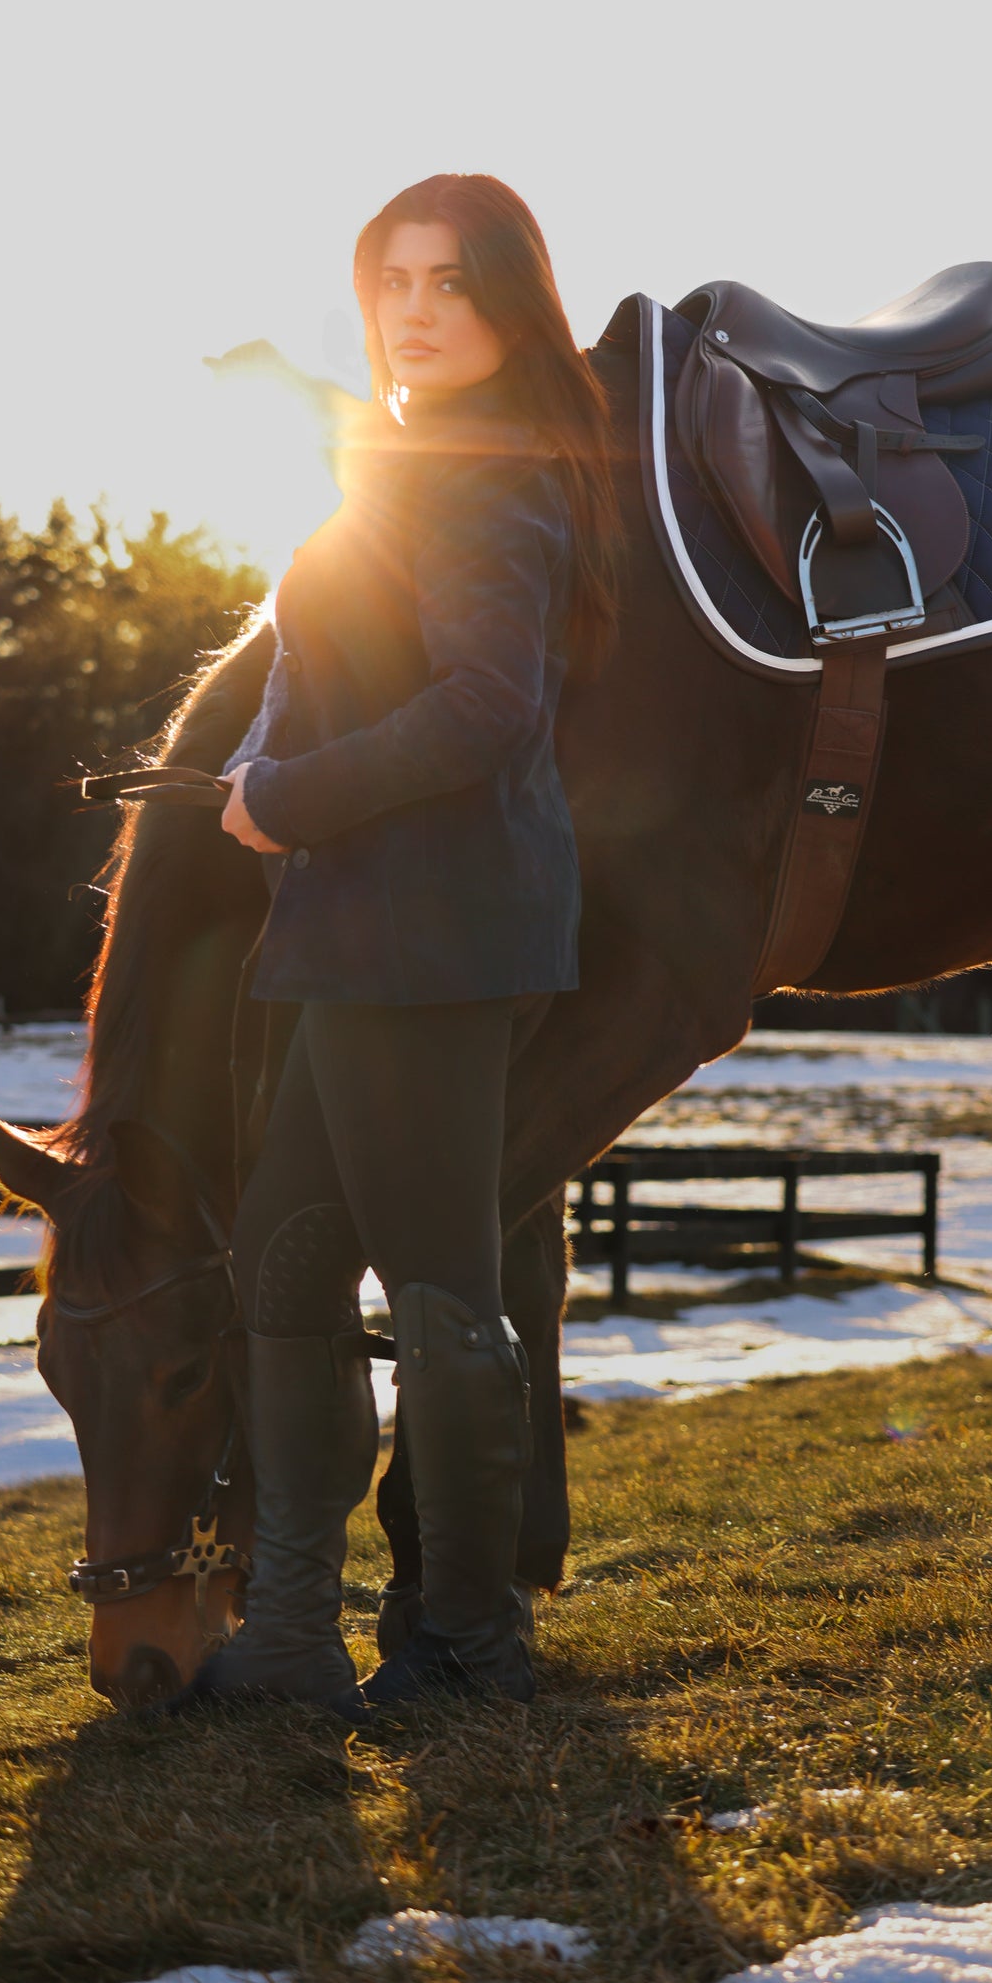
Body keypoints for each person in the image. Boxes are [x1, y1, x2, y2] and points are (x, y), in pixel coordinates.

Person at [195, 172, 619, 1714]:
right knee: (289, 1273)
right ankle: (297, 1636)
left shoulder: (489, 477)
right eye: (393, 283)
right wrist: (257, 778)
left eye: (451, 284)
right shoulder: (406, 458)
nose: (417, 313)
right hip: (350, 933)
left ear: (509, 305)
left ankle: (466, 1642)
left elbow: (485, 705)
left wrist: (289, 799)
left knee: (442, 1292)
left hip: (437, 936)